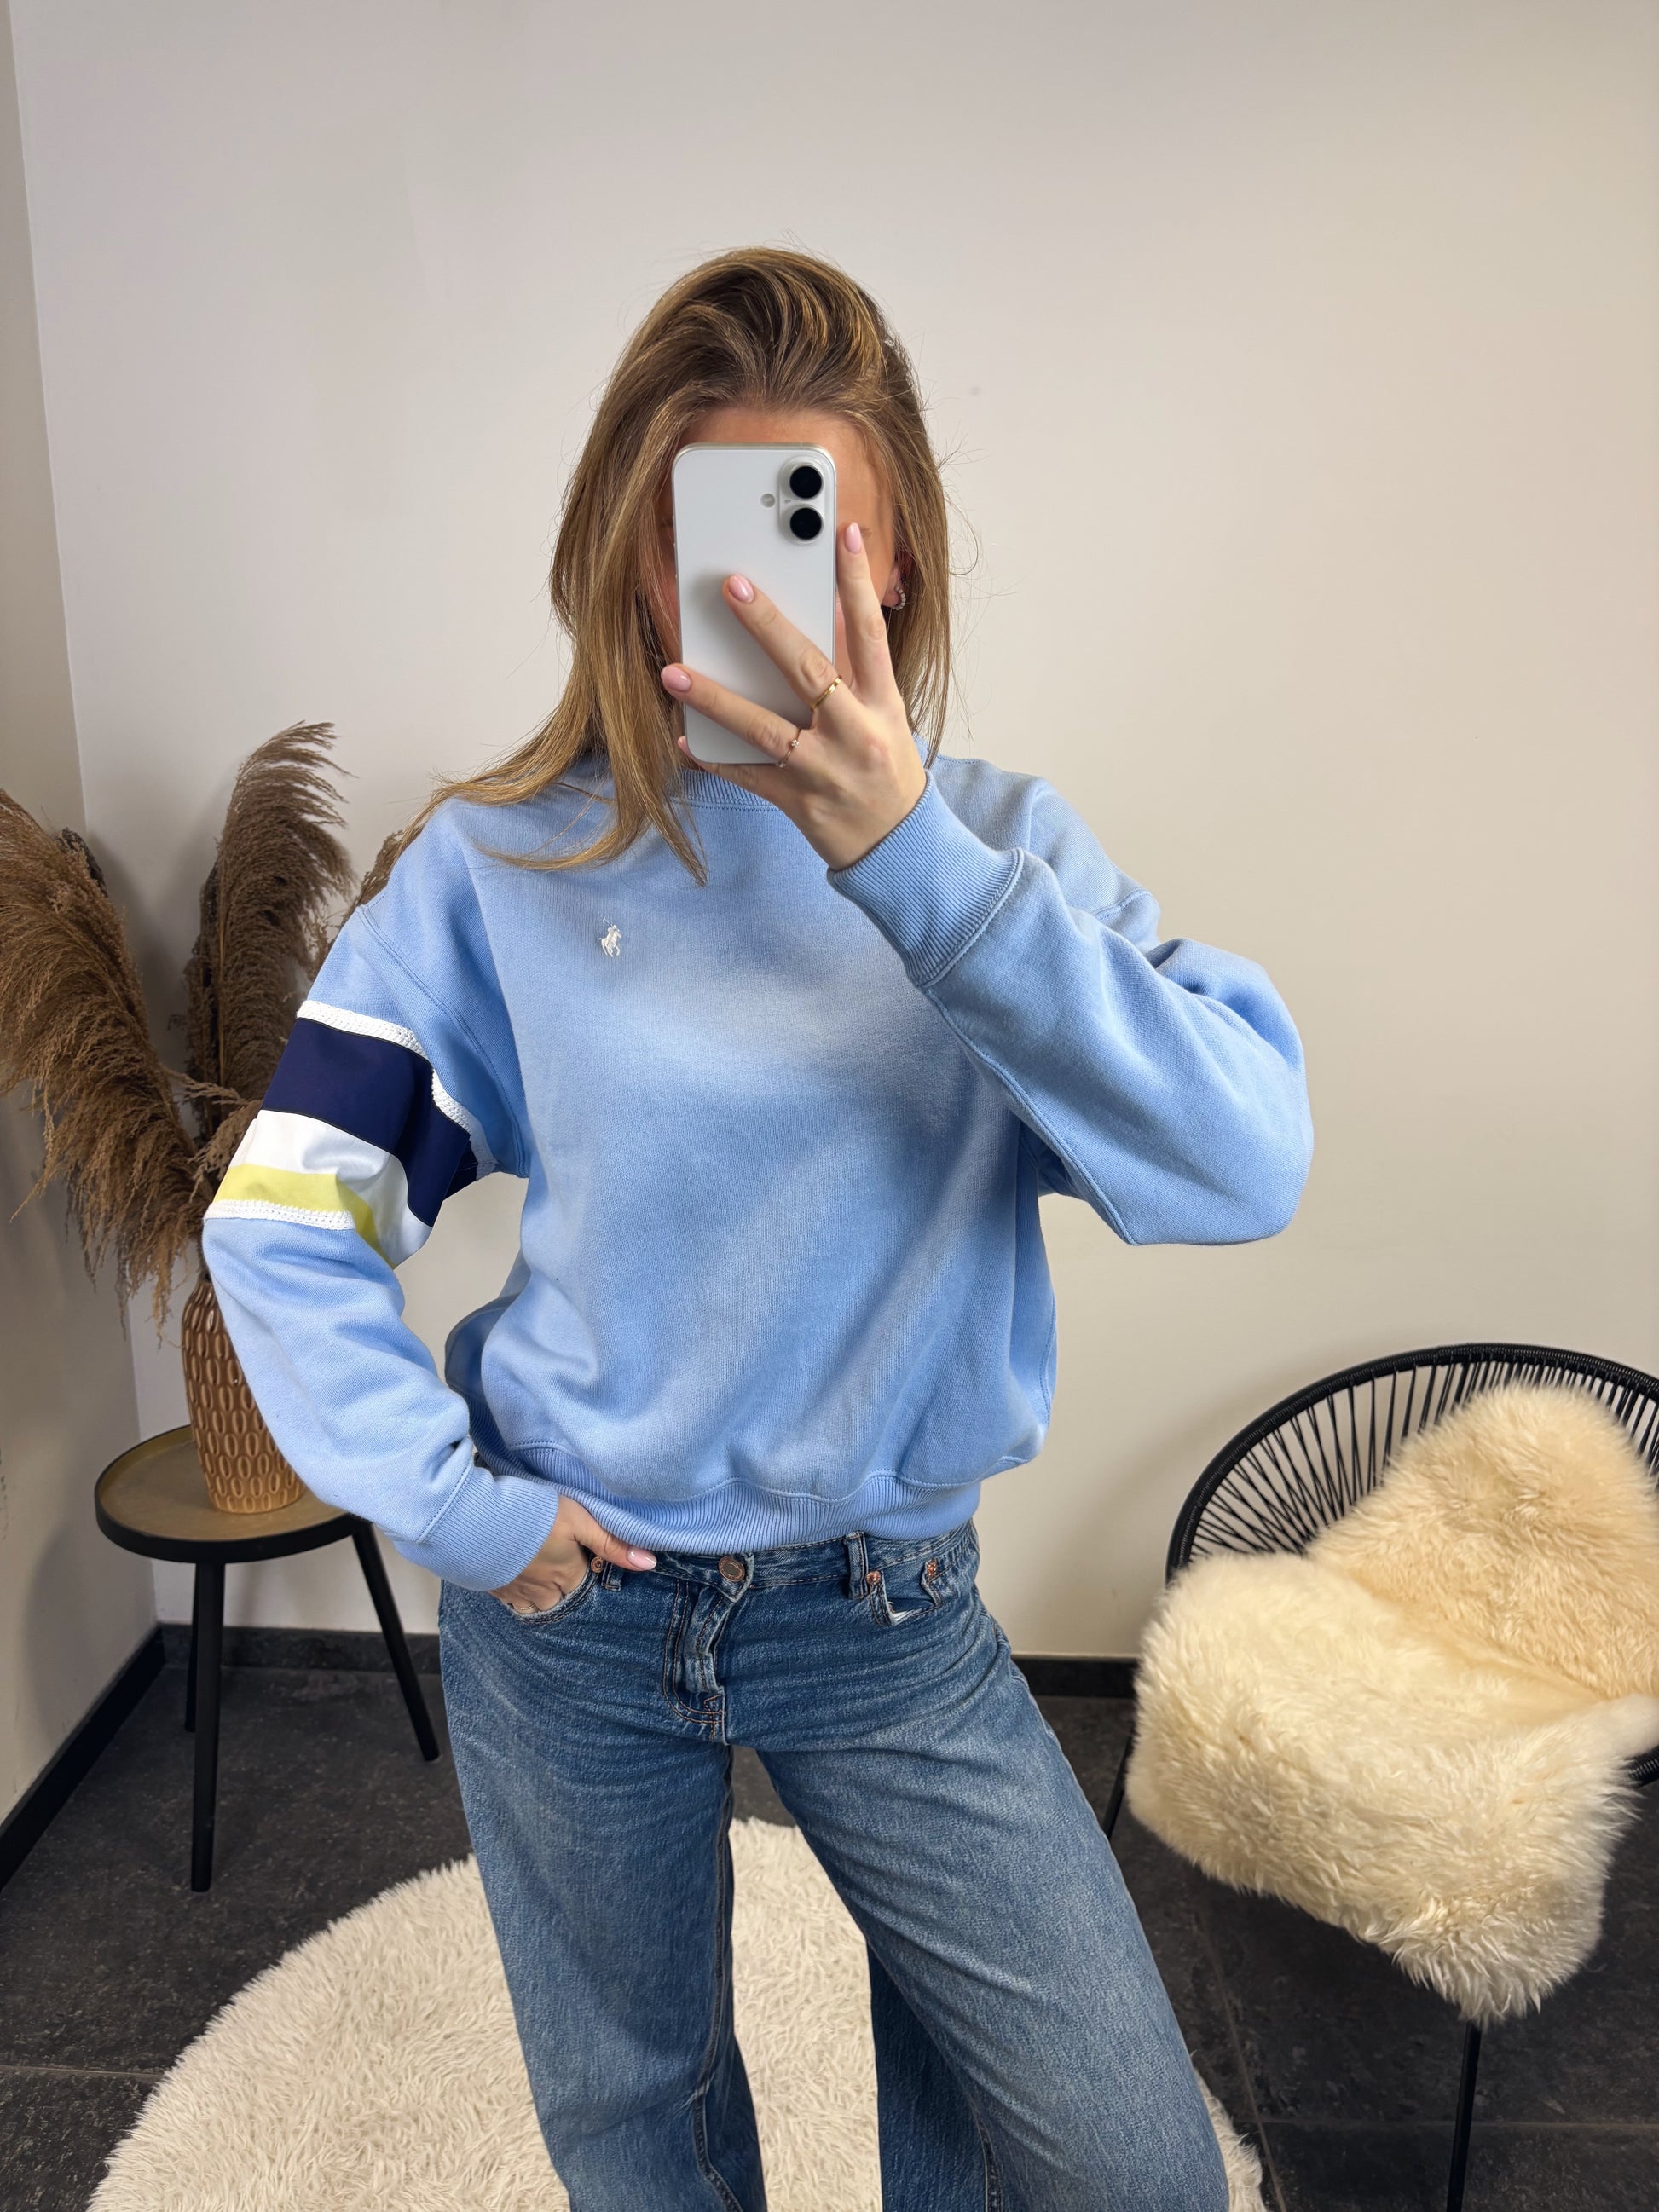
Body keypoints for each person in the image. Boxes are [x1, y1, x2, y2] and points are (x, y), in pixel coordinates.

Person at [202, 245, 1312, 2211]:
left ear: (893, 556)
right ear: (627, 562)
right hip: (574, 1616)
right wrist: (456, 1503)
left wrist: (914, 870)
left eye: (803, 527)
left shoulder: (1001, 862)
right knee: (642, 2130)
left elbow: (1240, 1164)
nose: (747, 592)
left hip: (885, 1613)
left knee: (1125, 2164)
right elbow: (285, 1214)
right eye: (694, 532)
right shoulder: (507, 866)